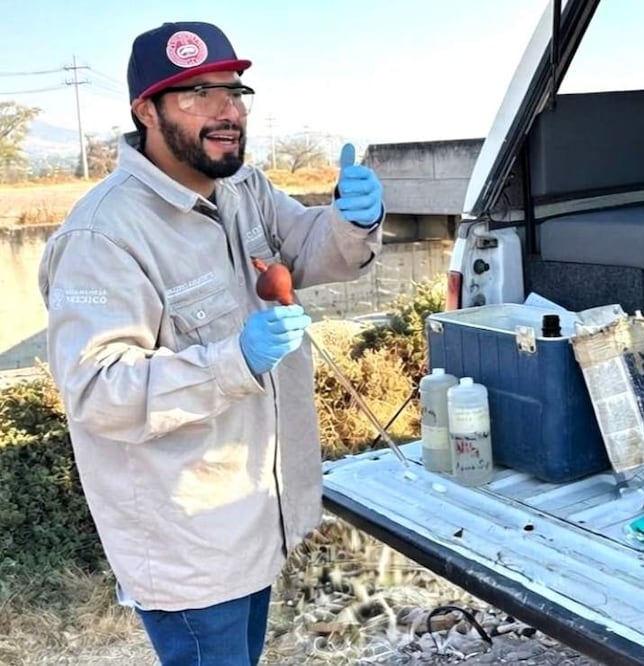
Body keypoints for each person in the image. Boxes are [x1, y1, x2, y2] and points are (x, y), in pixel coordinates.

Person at [37, 21, 384, 666]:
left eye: (233, 91)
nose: (227, 111)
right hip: (188, 544)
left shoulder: (241, 188)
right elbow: (96, 389)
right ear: (146, 110)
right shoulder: (103, 236)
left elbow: (305, 247)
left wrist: (349, 219)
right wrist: (235, 360)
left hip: (254, 513)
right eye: (196, 93)